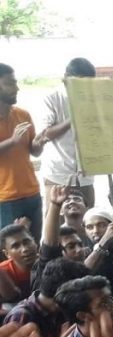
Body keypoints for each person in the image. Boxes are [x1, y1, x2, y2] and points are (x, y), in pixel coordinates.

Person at [38, 58, 96, 208]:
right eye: (79, 82)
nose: (84, 87)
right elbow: (45, 134)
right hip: (59, 175)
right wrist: (73, 119)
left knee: (87, 217)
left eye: (88, 84)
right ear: (65, 78)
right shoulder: (51, 98)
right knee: (57, 218)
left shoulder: (94, 99)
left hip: (86, 176)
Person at [0, 63, 46, 239]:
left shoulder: (23, 114)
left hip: (32, 193)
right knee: (10, 249)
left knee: (34, 245)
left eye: (15, 83)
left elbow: (34, 152)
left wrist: (39, 144)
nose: (16, 88)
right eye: (9, 83)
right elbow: (14, 143)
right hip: (5, 199)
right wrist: (12, 141)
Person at [0, 223, 38, 302]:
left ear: (34, 242)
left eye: (27, 242)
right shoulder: (3, 271)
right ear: (7, 254)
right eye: (16, 246)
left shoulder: (50, 263)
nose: (25, 249)